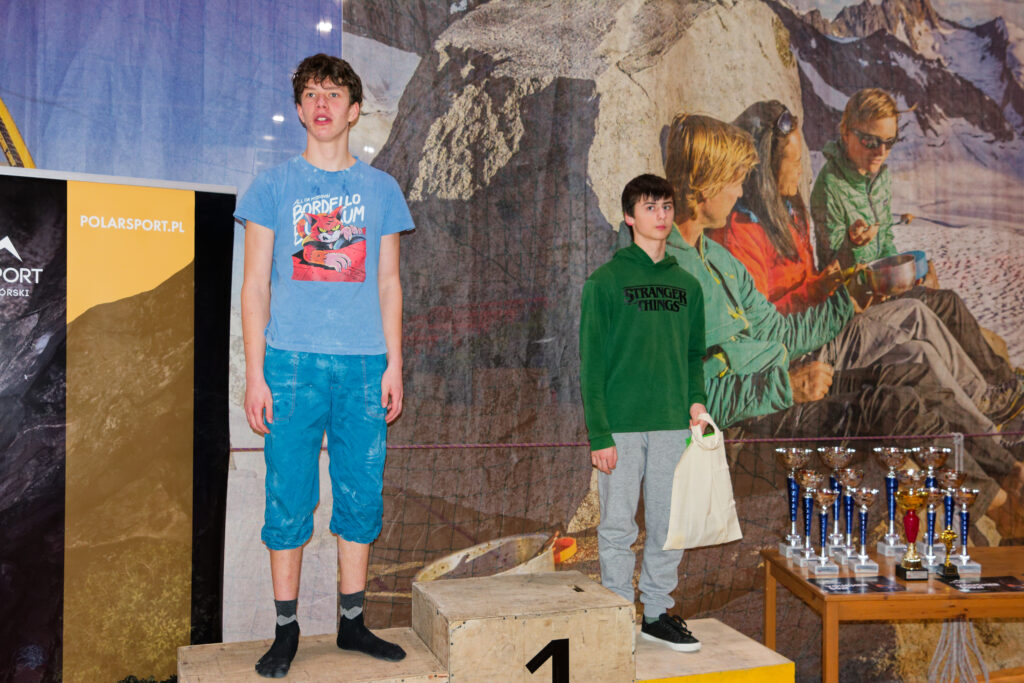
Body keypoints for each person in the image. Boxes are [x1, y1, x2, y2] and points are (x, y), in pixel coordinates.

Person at [660, 114, 1014, 515]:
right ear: (704, 187)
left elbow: (779, 332)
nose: (741, 190)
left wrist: (851, 297)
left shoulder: (718, 259)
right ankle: (1000, 508)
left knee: (913, 374)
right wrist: (785, 386)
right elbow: (685, 401)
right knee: (892, 405)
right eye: (734, 180)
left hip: (776, 394)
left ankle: (1007, 472)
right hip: (745, 433)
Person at [236, 54, 414, 678]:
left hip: (365, 366)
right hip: (290, 365)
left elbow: (389, 284)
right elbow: (254, 287)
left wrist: (394, 364)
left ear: (354, 110)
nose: (322, 103)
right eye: (311, 93)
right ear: (299, 108)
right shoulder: (271, 188)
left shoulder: (382, 190)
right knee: (288, 496)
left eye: (334, 94)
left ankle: (352, 623)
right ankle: (285, 630)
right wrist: (255, 374)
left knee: (361, 494)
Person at [706, 100, 1024, 436]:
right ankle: (986, 411)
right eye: (795, 162)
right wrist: (829, 295)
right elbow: (765, 329)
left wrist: (827, 281)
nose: (801, 170)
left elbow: (803, 284)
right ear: (765, 168)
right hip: (805, 346)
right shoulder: (741, 235)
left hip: (821, 321)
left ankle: (986, 424)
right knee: (916, 319)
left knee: (919, 341)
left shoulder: (786, 210)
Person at [810, 90, 1023, 415]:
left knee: (943, 300)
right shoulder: (830, 187)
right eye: (870, 141)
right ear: (846, 132)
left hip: (884, 288)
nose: (881, 151)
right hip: (858, 302)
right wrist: (854, 246)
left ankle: (1000, 387)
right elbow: (833, 269)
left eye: (889, 142)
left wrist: (905, 274)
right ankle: (994, 395)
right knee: (946, 305)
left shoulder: (877, 176)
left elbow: (886, 239)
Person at [580, 174, 709, 652]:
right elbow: (591, 365)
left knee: (668, 526)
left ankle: (656, 614)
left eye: (667, 206)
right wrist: (600, 434)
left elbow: (693, 356)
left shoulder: (687, 285)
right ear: (629, 217)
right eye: (650, 207)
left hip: (674, 427)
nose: (661, 215)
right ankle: (618, 614)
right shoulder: (605, 282)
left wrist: (696, 402)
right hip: (622, 428)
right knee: (617, 527)